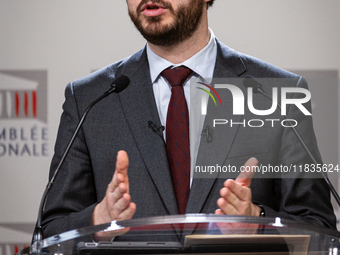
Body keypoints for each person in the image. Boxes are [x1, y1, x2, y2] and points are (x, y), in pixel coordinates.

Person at [41, 0, 336, 240]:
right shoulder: (90, 98)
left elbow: (319, 226)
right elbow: (49, 231)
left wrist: (257, 222)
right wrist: (98, 219)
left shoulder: (275, 92)